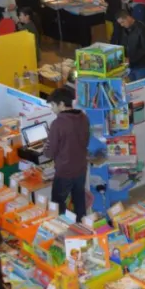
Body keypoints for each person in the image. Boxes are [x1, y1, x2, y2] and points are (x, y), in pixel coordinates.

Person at [44, 87, 90, 219]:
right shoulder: (83, 118)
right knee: (79, 200)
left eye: (53, 105)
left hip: (64, 171)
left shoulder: (58, 124)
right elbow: (85, 142)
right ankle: (83, 228)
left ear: (61, 105)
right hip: (81, 168)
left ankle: (62, 230)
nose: (52, 109)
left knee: (58, 205)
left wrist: (45, 148)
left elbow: (49, 152)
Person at [116, 11, 145, 81]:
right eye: (120, 23)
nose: (122, 25)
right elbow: (123, 44)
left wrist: (131, 59)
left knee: (141, 89)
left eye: (122, 22)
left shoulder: (142, 29)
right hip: (130, 66)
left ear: (128, 18)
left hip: (142, 67)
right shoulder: (124, 30)